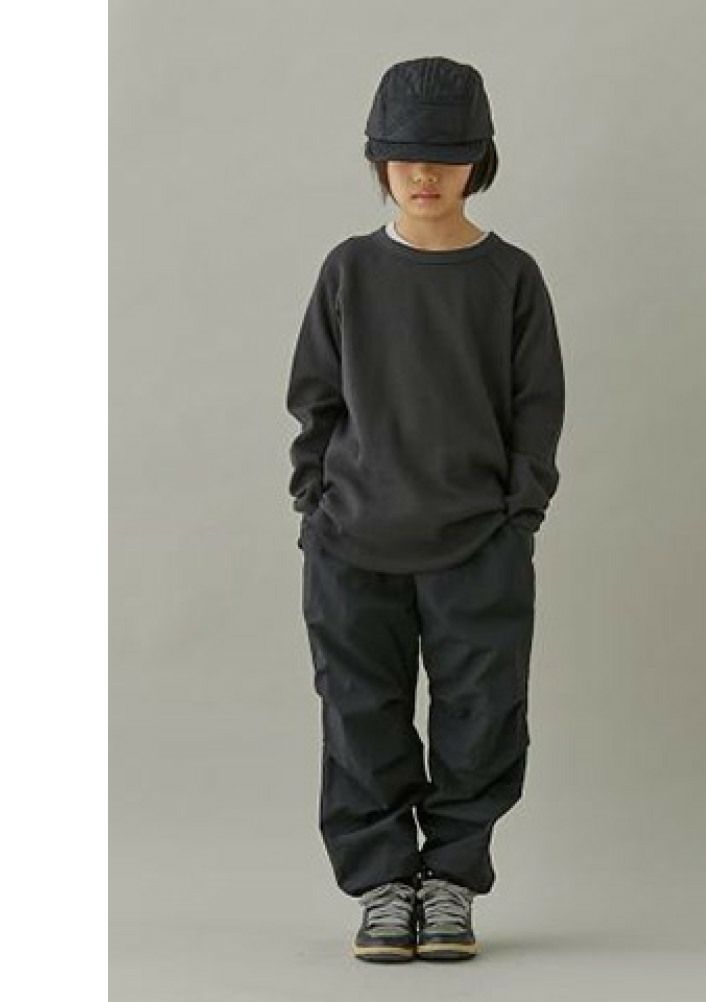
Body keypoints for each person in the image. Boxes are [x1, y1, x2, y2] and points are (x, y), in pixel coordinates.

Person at [285, 56, 565, 963]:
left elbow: (536, 409)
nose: (424, 174)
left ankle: (449, 880)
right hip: (353, 541)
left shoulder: (510, 277)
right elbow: (316, 401)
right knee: (359, 715)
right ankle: (381, 886)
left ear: (480, 159)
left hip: (478, 541)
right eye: (405, 156)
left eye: (445, 156)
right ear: (379, 161)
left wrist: (518, 515)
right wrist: (315, 507)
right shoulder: (350, 270)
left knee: (482, 715)